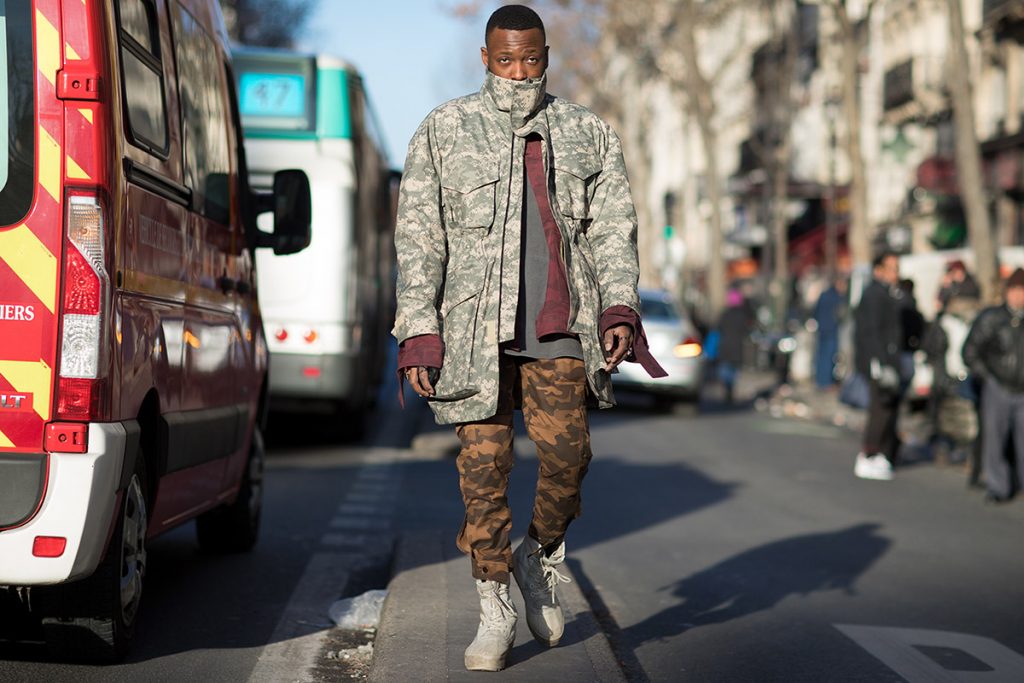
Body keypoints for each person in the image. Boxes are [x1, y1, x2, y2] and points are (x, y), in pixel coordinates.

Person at [392, 5, 665, 671]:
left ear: (548, 56)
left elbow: (612, 227)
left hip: (559, 325)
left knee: (569, 456)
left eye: (532, 59)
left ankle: (537, 555)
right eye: (507, 60)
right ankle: (493, 602)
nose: (520, 72)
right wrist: (420, 329)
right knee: (484, 473)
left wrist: (619, 307)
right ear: (485, 58)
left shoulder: (587, 133)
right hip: (472, 332)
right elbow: (420, 237)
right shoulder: (445, 129)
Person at [961, 267, 1024, 504]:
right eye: (1015, 290)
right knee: (994, 439)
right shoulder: (992, 318)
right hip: (998, 386)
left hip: (1022, 389)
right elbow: (970, 351)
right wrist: (987, 376)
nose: (1019, 296)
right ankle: (998, 486)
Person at [853, 251, 903, 481]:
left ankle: (881, 454)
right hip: (879, 361)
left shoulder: (888, 294)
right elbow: (872, 332)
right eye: (891, 268)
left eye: (897, 268)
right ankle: (868, 453)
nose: (896, 273)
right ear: (878, 270)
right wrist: (880, 362)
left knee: (887, 407)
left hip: (887, 358)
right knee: (879, 408)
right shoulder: (875, 295)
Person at [715, 288, 750, 404]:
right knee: (734, 370)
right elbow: (745, 331)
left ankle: (727, 388)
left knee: (725, 369)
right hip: (737, 347)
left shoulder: (724, 314)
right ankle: (730, 389)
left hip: (725, 346)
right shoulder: (742, 316)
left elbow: (718, 328)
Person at [813, 277, 847, 389]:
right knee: (829, 356)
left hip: (822, 329)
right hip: (831, 329)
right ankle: (826, 382)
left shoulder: (823, 295)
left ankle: (820, 380)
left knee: (821, 355)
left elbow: (816, 311)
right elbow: (841, 314)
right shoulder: (837, 297)